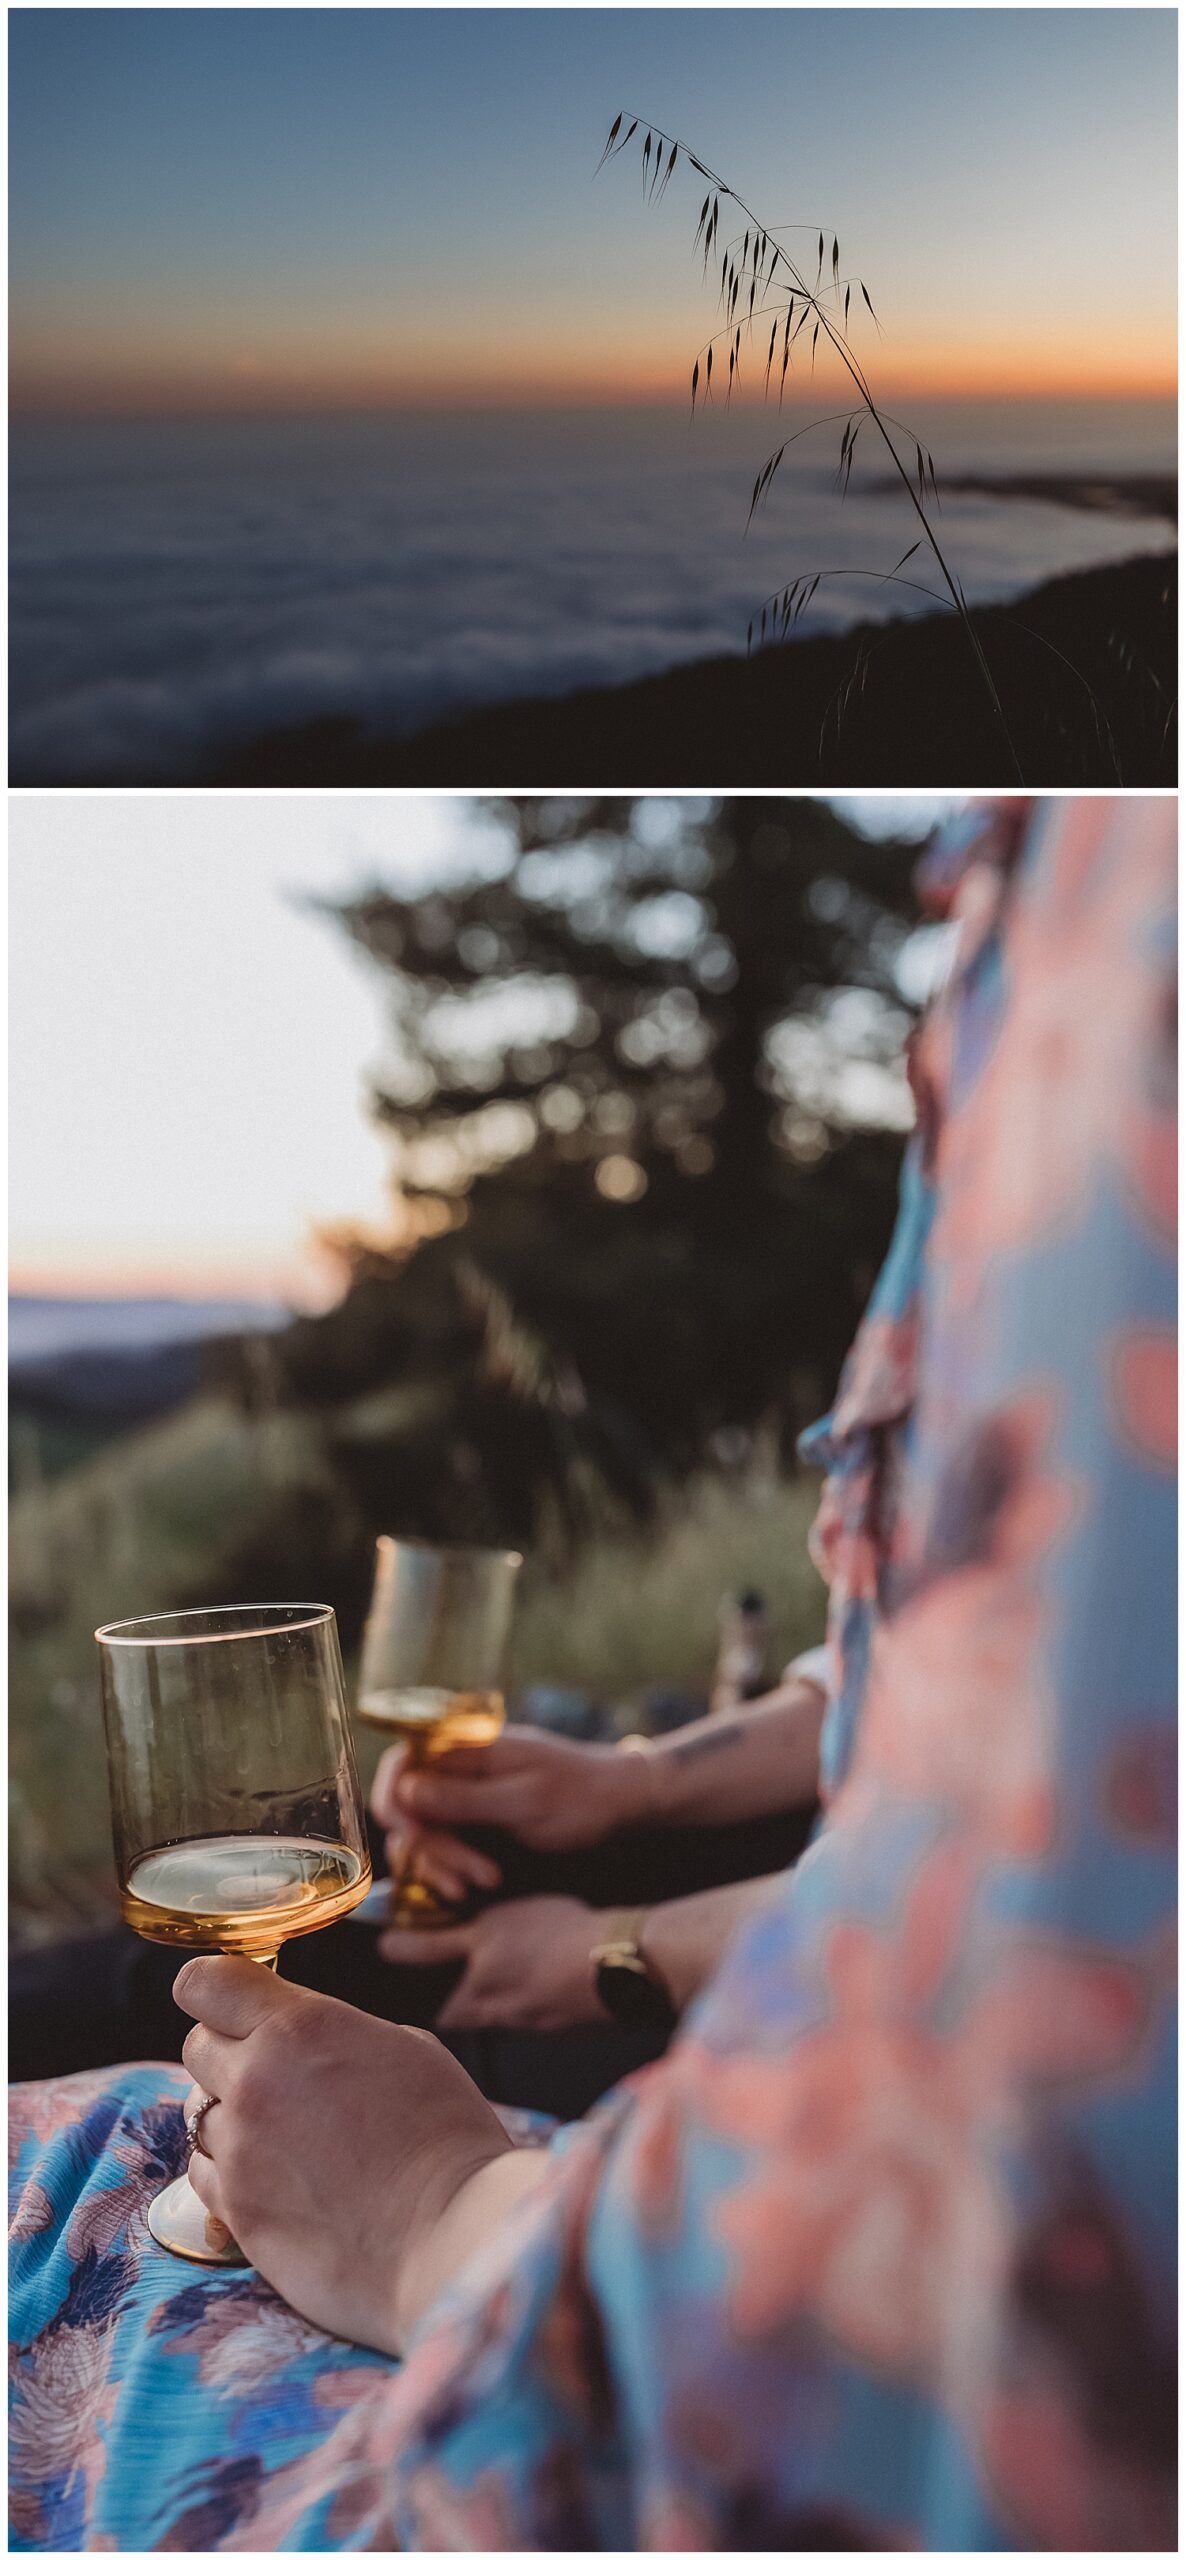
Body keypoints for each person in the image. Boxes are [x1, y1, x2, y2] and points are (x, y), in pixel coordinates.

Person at [11, 798, 1175, 2551]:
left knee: (86, 2128)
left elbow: (1022, 2058)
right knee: (151, 1987)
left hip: (727, 2330)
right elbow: (969, 1678)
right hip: (788, 1935)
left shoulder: (1130, 945)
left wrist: (451, 2192)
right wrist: (645, 1786)